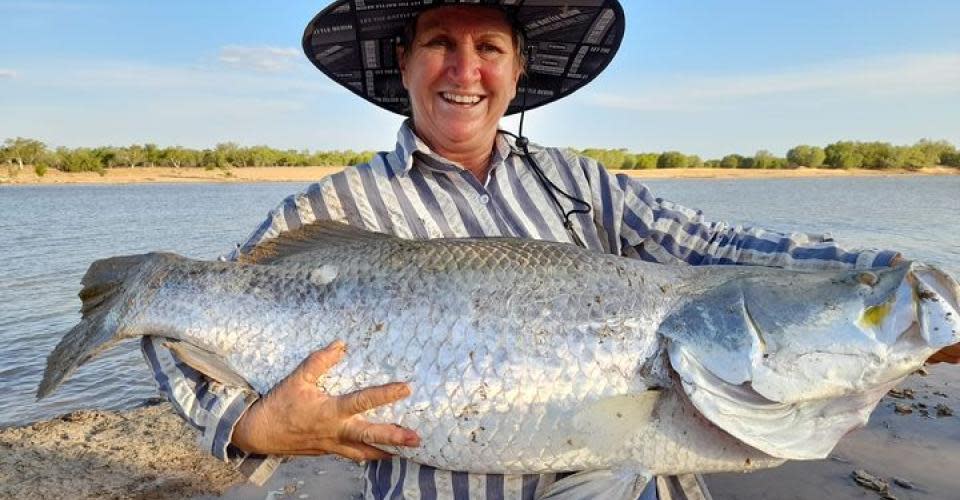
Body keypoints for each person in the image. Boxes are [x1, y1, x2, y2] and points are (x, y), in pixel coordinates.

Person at [141, 1, 960, 498]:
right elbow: (180, 307)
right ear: (404, 62)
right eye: (440, 43)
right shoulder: (328, 207)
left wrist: (882, 280)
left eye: (489, 47)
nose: (465, 69)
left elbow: (714, 247)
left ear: (518, 68)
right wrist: (250, 425)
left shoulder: (582, 184)